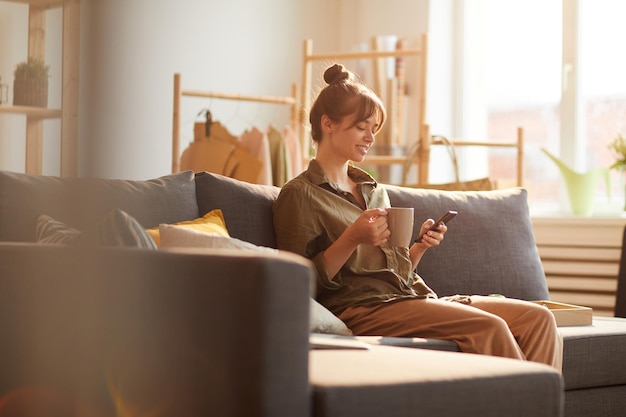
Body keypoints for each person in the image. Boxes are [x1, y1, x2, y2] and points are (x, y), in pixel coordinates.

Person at [272, 63, 562, 370]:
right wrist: (351, 238)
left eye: (374, 129)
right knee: (489, 328)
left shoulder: (373, 190)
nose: (370, 137)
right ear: (328, 124)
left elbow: (399, 273)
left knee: (539, 319)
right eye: (361, 127)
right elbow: (297, 286)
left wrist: (419, 247)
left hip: (411, 297)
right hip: (362, 308)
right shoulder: (300, 194)